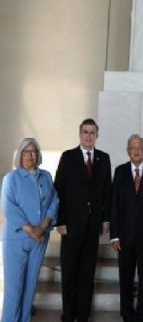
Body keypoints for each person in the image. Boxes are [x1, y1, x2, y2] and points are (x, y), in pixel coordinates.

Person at [54, 118, 112, 322]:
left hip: (93, 226)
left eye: (92, 132)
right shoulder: (68, 157)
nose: (88, 136)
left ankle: (82, 315)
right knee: (69, 272)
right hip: (70, 226)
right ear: (80, 135)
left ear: (97, 135)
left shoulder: (104, 159)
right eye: (85, 132)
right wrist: (59, 221)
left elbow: (107, 192)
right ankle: (68, 315)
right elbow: (58, 190)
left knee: (87, 274)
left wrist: (106, 220)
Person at [1, 138, 59, 322]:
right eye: (26, 152)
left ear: (38, 155)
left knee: (30, 288)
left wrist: (42, 227)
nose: (30, 155)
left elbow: (54, 200)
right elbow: (9, 207)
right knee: (13, 289)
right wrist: (31, 230)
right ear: (20, 155)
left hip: (40, 240)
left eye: (34, 151)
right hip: (16, 240)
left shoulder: (46, 176)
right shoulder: (11, 178)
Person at [110, 134, 143, 322]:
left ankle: (142, 314)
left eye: (139, 146)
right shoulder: (120, 171)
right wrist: (114, 236)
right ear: (128, 151)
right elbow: (114, 204)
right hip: (124, 236)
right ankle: (127, 313)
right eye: (133, 147)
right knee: (126, 277)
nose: (137, 150)